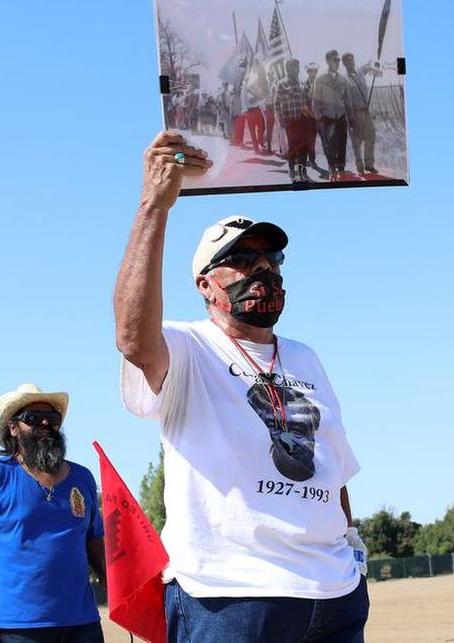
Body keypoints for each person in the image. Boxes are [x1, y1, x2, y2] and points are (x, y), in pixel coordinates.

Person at [113, 132, 369, 642]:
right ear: (205, 285)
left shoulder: (305, 357)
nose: (262, 269)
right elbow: (131, 337)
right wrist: (153, 206)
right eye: (243, 259)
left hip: (332, 598)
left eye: (271, 259)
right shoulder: (187, 347)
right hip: (231, 600)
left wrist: (353, 552)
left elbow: (333, 468)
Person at [0, 383, 107, 643]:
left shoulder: (83, 478)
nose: (45, 422)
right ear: (13, 428)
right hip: (20, 627)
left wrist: (109, 578)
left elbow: (94, 539)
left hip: (83, 622)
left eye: (52, 418)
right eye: (33, 418)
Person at [274, 58, 317, 183]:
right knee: (293, 148)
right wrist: (281, 118)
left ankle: (303, 171)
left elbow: (308, 97)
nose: (297, 70)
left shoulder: (301, 83)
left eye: (298, 68)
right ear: (288, 68)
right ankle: (292, 169)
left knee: (304, 148)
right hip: (290, 121)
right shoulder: (281, 84)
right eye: (295, 67)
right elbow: (277, 104)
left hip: (303, 121)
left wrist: (313, 84)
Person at [312, 50, 350, 181]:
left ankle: (341, 169)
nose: (338, 63)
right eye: (335, 60)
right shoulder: (320, 79)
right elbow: (316, 100)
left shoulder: (342, 79)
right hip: (327, 117)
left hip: (340, 116)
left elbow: (347, 99)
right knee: (330, 145)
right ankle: (332, 168)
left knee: (342, 143)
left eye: (338, 60)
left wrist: (350, 116)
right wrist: (317, 117)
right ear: (328, 61)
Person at [342, 52, 378, 175]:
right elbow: (346, 101)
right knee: (356, 142)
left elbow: (370, 68)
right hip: (354, 114)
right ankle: (360, 167)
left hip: (366, 111)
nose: (351, 62)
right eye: (348, 61)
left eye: (352, 60)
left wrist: (376, 65)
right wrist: (350, 118)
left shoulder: (360, 72)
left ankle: (369, 164)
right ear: (344, 64)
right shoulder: (344, 80)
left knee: (371, 137)